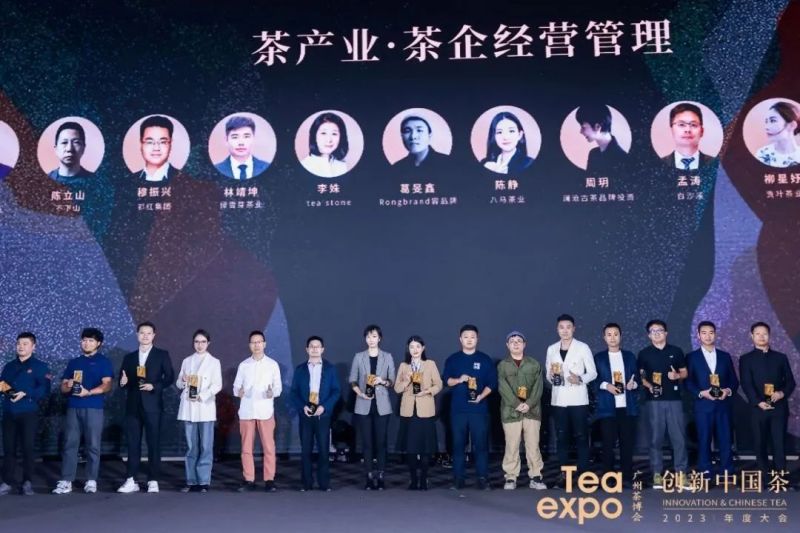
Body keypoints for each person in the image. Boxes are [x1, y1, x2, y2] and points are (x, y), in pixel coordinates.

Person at [52, 328, 113, 495]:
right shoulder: (74, 362)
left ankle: (91, 480)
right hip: (73, 406)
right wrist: (69, 384)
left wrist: (89, 392)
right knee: (70, 444)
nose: (86, 343)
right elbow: (63, 388)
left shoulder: (103, 361)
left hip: (93, 407)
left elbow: (107, 384)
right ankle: (66, 480)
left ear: (98, 343)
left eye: (91, 340)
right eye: (84, 340)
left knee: (93, 445)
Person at [117, 321, 175, 493]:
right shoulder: (129, 357)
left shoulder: (161, 355)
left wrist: (154, 386)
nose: (145, 336)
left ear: (154, 335)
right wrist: (123, 382)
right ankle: (131, 479)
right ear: (137, 335)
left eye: (149, 333)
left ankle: (153, 480)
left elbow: (169, 377)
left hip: (153, 405)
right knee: (132, 444)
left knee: (153, 443)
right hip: (133, 406)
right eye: (142, 333)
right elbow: (122, 380)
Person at [442, 324, 497, 490]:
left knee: (481, 445)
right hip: (458, 410)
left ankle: (482, 478)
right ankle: (458, 479)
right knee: (458, 445)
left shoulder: (485, 359)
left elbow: (492, 383)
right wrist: (459, 379)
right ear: (460, 339)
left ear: (477, 339)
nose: (469, 340)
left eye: (472, 337)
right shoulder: (453, 359)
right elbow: (446, 380)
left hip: (479, 409)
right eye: (466, 337)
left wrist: (481, 396)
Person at [545, 314, 597, 487]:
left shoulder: (582, 347)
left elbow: (593, 372)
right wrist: (552, 376)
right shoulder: (551, 349)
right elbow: (548, 373)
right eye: (561, 327)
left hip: (578, 400)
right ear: (557, 329)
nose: (565, 330)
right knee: (561, 438)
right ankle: (564, 475)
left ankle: (584, 475)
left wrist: (580, 379)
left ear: (574, 329)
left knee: (581, 437)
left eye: (568, 327)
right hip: (559, 400)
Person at [739, 322, 796, 479]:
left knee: (779, 443)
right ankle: (764, 476)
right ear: (751, 336)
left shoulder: (780, 357)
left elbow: (790, 382)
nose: (761, 337)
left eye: (764, 333)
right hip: (758, 408)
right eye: (757, 334)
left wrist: (782, 393)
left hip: (779, 407)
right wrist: (758, 402)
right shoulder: (746, 359)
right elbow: (746, 383)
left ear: (769, 336)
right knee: (760, 443)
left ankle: (781, 476)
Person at [637, 319, 689, 489]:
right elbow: (640, 376)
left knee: (679, 439)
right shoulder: (644, 354)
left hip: (674, 400)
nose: (657, 333)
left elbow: (684, 372)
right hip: (654, 401)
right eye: (653, 331)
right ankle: (657, 474)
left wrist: (677, 376)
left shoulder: (676, 351)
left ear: (666, 333)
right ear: (649, 335)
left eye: (660, 330)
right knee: (655, 438)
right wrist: (649, 386)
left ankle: (681, 474)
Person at [0, 332, 51, 496]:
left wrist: (26, 393)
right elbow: (2, 383)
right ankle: (7, 481)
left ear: (33, 347)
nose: (21, 347)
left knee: (28, 448)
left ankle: (27, 482)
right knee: (9, 449)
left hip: (28, 412)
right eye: (18, 344)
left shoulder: (40, 366)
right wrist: (9, 392)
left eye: (25, 344)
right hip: (9, 411)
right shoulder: (9, 366)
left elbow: (44, 389)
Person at [685, 321, 738, 479]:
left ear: (715, 334)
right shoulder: (691, 357)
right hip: (703, 405)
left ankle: (727, 469)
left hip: (723, 404)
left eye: (711, 332)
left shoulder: (724, 356)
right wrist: (701, 393)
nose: (708, 336)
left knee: (725, 438)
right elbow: (688, 382)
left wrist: (727, 391)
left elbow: (734, 381)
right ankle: (705, 468)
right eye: (704, 333)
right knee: (704, 438)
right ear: (698, 335)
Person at [233, 330, 282, 492]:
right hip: (246, 411)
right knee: (246, 448)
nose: (256, 345)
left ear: (264, 344)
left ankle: (269, 479)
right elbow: (235, 387)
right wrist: (239, 391)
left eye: (259, 342)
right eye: (253, 342)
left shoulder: (272, 365)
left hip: (265, 411)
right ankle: (249, 479)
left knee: (269, 447)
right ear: (249, 345)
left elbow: (278, 388)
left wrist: (271, 393)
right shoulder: (244, 365)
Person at [290, 335, 341, 491]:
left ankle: (324, 483)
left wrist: (324, 407)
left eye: (317, 346)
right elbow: (293, 392)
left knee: (324, 450)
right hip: (305, 414)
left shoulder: (330, 369)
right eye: (311, 346)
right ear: (307, 349)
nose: (314, 349)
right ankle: (306, 483)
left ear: (322, 349)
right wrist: (302, 407)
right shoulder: (300, 369)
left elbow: (336, 391)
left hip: (322, 415)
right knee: (306, 450)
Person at [349, 324, 395, 490]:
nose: (371, 339)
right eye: (368, 337)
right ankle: (369, 476)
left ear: (379, 338)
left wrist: (382, 381)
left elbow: (392, 381)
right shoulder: (359, 357)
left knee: (381, 443)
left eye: (374, 336)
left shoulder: (387, 357)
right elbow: (352, 380)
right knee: (367, 443)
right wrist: (360, 393)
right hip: (363, 404)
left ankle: (381, 475)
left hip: (382, 405)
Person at [497, 331, 545, 491]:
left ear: (524, 344)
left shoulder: (534, 364)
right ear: (507, 345)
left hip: (532, 411)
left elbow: (538, 387)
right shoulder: (503, 365)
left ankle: (536, 476)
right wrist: (517, 404)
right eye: (512, 341)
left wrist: (529, 404)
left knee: (533, 445)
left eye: (519, 341)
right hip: (511, 412)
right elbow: (502, 387)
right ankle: (511, 477)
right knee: (512, 445)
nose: (516, 343)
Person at [175, 329, 222, 493]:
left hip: (205, 407)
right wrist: (183, 380)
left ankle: (203, 481)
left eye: (203, 342)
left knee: (206, 446)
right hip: (189, 408)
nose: (199, 345)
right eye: (197, 342)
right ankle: (191, 481)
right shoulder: (187, 361)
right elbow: (179, 383)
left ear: (208, 343)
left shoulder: (214, 362)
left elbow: (217, 385)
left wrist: (202, 396)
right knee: (191, 447)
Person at [394, 335, 442, 490]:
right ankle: (413, 479)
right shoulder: (404, 366)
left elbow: (439, 384)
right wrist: (406, 380)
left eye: (417, 346)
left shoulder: (430, 364)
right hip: (409, 412)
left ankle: (424, 479)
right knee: (411, 449)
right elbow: (397, 389)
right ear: (408, 349)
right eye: (411, 347)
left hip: (425, 411)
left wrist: (427, 391)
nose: (414, 350)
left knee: (426, 448)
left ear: (423, 348)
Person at [593, 323, 638, 486]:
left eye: (616, 334)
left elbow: (637, 378)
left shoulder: (629, 356)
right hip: (607, 408)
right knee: (608, 444)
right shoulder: (599, 358)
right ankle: (609, 478)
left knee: (627, 443)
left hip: (627, 407)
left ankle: (627, 477)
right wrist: (607, 386)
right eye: (609, 334)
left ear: (621, 336)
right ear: (604, 337)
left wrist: (634, 384)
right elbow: (593, 380)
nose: (612, 338)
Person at [660, 103, 715, 170]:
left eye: (693, 125)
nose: (688, 130)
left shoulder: (714, 164)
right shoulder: (658, 164)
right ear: (671, 130)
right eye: (681, 124)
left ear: (702, 131)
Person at [575, 104, 627, 175]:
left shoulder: (621, 158)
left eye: (583, 127)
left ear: (597, 126)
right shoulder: (593, 153)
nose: (581, 132)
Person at [213, 115, 270, 179]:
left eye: (246, 136)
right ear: (226, 140)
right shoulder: (216, 169)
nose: (241, 143)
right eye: (235, 137)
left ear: (254, 139)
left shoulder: (267, 167)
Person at [300, 112, 349, 178]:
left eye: (334, 134)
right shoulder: (306, 165)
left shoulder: (342, 166)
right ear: (314, 136)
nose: (329, 140)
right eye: (323, 133)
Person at [755, 101, 800, 168]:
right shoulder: (762, 154)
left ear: (791, 125)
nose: (766, 127)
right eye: (766, 121)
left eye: (773, 121)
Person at [134, 115, 176, 182]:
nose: (156, 148)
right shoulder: (128, 181)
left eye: (162, 142)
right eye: (150, 142)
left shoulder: (185, 181)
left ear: (170, 144)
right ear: (141, 143)